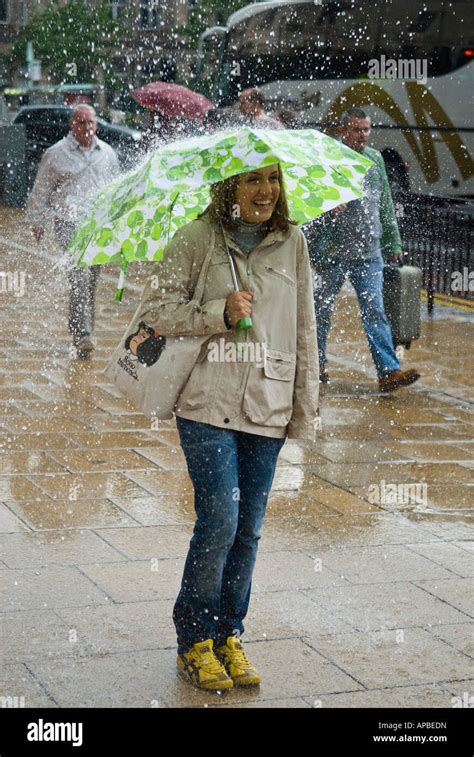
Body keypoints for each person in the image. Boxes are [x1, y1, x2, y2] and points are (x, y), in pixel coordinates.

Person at [139, 163, 319, 690]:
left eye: (273, 179)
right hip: (206, 402)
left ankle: (227, 634)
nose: (265, 191)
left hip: (268, 400)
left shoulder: (294, 242)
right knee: (220, 519)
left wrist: (304, 411)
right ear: (230, 188)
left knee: (249, 527)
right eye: (252, 180)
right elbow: (156, 312)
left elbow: (304, 329)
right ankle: (193, 639)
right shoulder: (198, 237)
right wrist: (219, 310)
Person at [307, 107, 420, 393]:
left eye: (366, 130)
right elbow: (309, 203)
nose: (362, 135)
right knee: (321, 312)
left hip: (369, 254)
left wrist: (392, 242)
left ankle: (388, 372)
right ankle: (316, 365)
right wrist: (327, 209)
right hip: (332, 253)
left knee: (375, 311)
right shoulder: (329, 157)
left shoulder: (375, 159)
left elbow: (384, 202)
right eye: (356, 130)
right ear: (343, 130)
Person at [27, 104, 119, 358]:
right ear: (72, 126)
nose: (87, 128)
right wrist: (37, 221)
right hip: (68, 223)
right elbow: (41, 189)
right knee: (79, 275)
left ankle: (85, 329)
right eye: (81, 123)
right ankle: (81, 334)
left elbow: (116, 189)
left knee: (91, 280)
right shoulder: (56, 154)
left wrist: (119, 222)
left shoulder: (108, 153)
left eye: (91, 123)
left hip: (98, 226)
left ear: (97, 125)